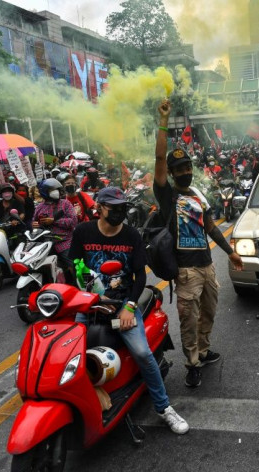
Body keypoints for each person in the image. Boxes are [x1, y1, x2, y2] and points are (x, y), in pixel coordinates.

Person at [69, 186, 189, 434]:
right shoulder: (83, 232)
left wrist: (129, 307)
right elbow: (75, 266)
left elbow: (139, 277)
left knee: (143, 354)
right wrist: (84, 294)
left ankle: (164, 407)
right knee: (69, 351)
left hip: (123, 303)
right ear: (99, 208)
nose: (118, 213)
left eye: (122, 208)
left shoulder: (131, 235)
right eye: (113, 208)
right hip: (89, 304)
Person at [153, 99, 243, 388]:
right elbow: (158, 161)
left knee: (209, 312)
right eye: (178, 168)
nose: (184, 172)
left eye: (187, 166)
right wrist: (164, 123)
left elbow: (211, 227)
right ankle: (192, 362)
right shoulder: (168, 196)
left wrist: (230, 253)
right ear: (171, 172)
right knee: (188, 320)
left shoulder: (197, 194)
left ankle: (203, 351)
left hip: (207, 268)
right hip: (186, 272)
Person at [32, 178, 78, 284]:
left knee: (73, 266)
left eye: (57, 189)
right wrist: (34, 225)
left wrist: (54, 221)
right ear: (45, 192)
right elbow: (34, 223)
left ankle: (77, 286)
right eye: (53, 190)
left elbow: (73, 221)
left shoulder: (65, 204)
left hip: (64, 241)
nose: (56, 192)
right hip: (45, 244)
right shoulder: (39, 207)